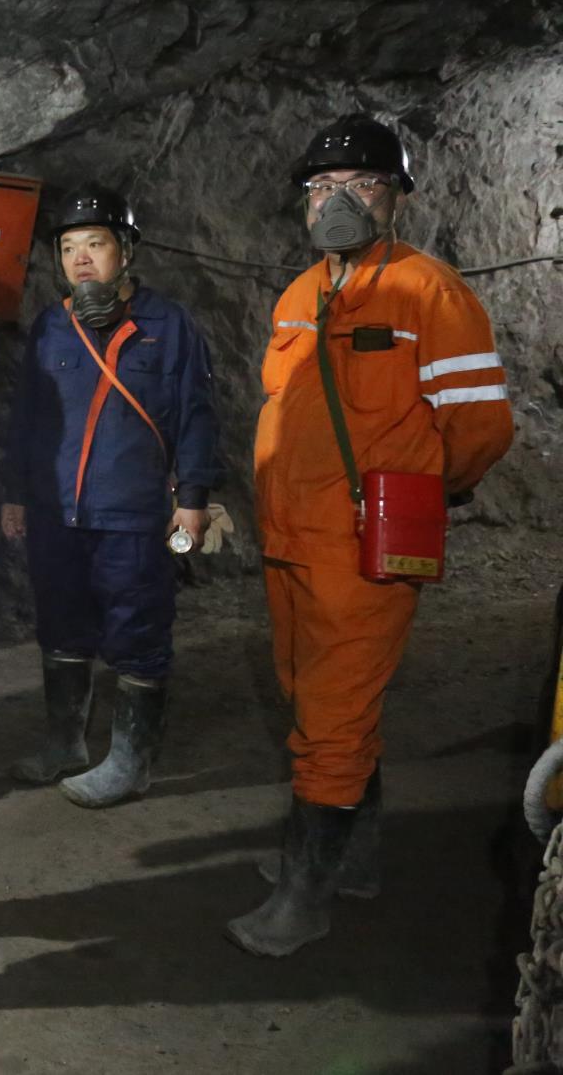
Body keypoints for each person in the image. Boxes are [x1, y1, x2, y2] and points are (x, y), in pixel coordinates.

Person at [227, 114, 513, 956]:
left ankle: (302, 899)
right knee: (314, 699)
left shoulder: (430, 293)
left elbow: (481, 426)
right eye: (322, 187)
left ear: (397, 198)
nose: (337, 201)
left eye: (361, 184)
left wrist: (423, 491)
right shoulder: (298, 296)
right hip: (290, 539)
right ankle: (351, 858)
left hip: (364, 547)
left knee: (332, 718)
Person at [0, 188, 222, 807]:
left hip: (132, 513)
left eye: (94, 244)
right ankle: (65, 744)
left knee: (137, 628)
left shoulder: (168, 326)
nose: (80, 258)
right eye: (68, 248)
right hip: (57, 510)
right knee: (61, 625)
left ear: (125, 250)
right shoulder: (51, 326)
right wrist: (16, 493)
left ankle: (131, 762)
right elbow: (26, 418)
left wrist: (193, 498)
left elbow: (197, 416)